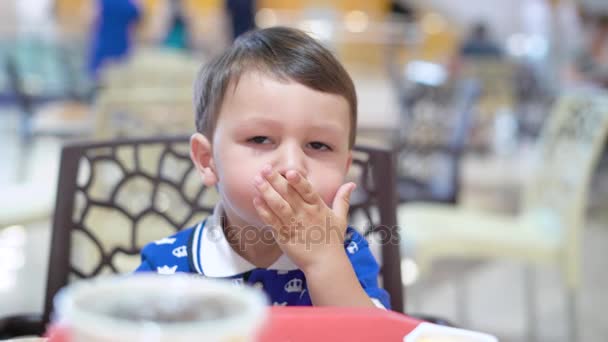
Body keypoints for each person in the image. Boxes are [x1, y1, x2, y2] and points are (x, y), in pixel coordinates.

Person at [135, 27, 390, 309]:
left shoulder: (346, 253)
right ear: (207, 160)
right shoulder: (167, 266)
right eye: (260, 139)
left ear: (345, 167)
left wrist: (324, 264)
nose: (292, 167)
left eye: (318, 145)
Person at [88, 0, 141, 80]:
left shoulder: (101, 2)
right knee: (120, 78)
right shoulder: (130, 4)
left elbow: (90, 19)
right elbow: (137, 24)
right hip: (122, 45)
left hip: (103, 45)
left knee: (98, 79)